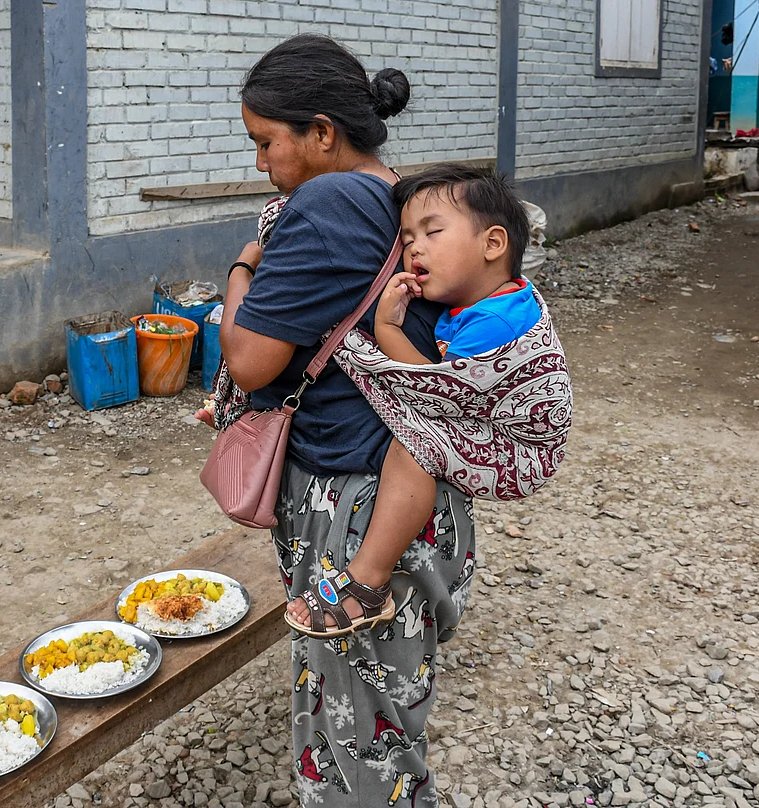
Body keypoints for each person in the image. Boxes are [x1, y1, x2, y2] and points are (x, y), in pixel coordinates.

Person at [219, 33, 475, 807]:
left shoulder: (328, 202)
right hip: (409, 491)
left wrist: (241, 267)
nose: (262, 163)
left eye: (268, 143)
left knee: (356, 746)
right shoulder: (397, 195)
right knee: (380, 725)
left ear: (323, 132)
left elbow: (249, 361)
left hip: (354, 505)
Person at [283, 164, 538, 639]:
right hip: (485, 425)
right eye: (406, 237)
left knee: (413, 449)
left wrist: (380, 335)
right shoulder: (485, 304)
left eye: (432, 231)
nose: (414, 247)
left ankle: (367, 582)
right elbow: (433, 380)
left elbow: (431, 390)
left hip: (515, 446)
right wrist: (389, 330)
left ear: (493, 244)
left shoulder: (494, 326)